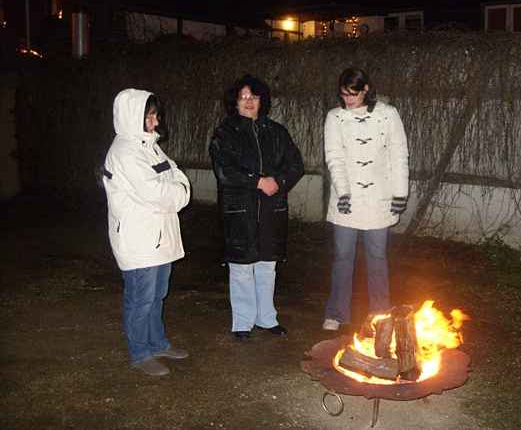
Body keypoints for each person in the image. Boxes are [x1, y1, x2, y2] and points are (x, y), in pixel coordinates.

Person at [103, 89, 191, 376]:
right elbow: (155, 191)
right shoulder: (125, 152)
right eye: (149, 116)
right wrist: (178, 191)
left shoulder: (148, 146)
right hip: (139, 239)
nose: (155, 122)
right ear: (133, 117)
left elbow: (175, 174)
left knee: (157, 295)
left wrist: (175, 188)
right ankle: (140, 353)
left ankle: (157, 343)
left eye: (155, 115)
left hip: (159, 235)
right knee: (141, 298)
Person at [210, 74, 304, 341]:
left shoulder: (277, 132)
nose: (249, 101)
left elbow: (296, 165)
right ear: (235, 102)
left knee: (266, 266)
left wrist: (280, 182)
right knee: (241, 267)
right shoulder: (225, 134)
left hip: (272, 209)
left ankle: (266, 317)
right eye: (243, 97)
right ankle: (242, 321)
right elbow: (224, 171)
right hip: (240, 210)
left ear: (262, 100)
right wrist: (257, 182)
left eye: (254, 96)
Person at [322, 67, 409, 331]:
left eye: (353, 94)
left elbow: (399, 155)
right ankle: (337, 313)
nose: (348, 100)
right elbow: (334, 157)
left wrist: (400, 192)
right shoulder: (334, 118)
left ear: (366, 90)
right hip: (346, 199)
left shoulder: (388, 115)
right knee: (342, 256)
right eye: (344, 94)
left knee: (377, 256)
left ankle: (380, 314)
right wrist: (343, 190)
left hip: (379, 198)